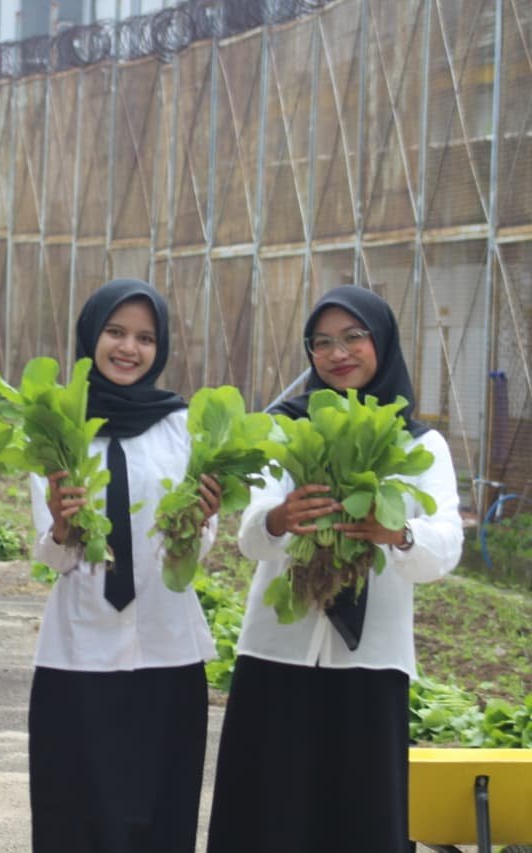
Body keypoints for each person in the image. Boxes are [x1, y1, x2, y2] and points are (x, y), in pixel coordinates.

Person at [207, 286, 463, 853]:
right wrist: (279, 519)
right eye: (321, 342)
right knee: (267, 816)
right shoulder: (285, 429)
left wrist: (397, 533)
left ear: (382, 342)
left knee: (360, 822)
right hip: (277, 654)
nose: (337, 352)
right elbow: (250, 535)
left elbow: (446, 547)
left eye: (353, 337)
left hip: (371, 660)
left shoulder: (423, 444)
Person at [28, 279, 221, 852]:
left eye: (145, 337)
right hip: (77, 656)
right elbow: (53, 554)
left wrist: (195, 527)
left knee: (161, 816)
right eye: (115, 332)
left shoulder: (183, 426)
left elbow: (195, 550)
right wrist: (63, 528)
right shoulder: (58, 426)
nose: (128, 348)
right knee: (73, 816)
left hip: (167, 653)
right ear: (91, 336)